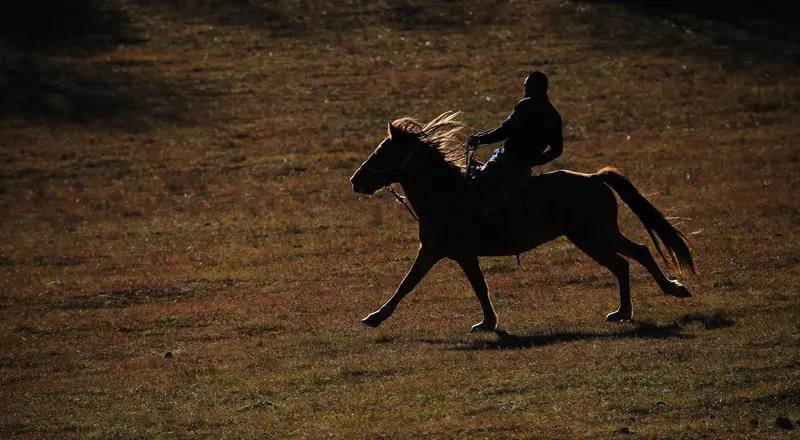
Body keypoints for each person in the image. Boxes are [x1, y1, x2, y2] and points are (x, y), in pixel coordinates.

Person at [468, 71, 563, 213]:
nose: (524, 89)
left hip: (506, 160)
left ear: (536, 87)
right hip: (524, 167)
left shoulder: (526, 105)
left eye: (527, 85)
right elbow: (557, 150)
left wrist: (480, 139)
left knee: (475, 186)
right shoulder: (554, 116)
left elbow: (504, 131)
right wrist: (534, 160)